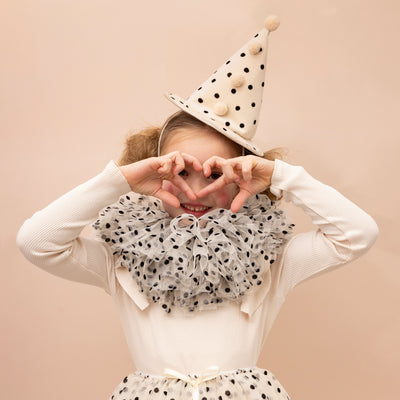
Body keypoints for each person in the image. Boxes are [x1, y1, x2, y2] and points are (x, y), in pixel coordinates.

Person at [16, 15, 379, 400]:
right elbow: (36, 242)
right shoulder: (121, 260)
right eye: (182, 170)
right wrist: (119, 181)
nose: (197, 191)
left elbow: (357, 235)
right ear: (155, 170)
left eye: (215, 174)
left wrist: (279, 176)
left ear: (243, 176)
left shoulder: (270, 261)